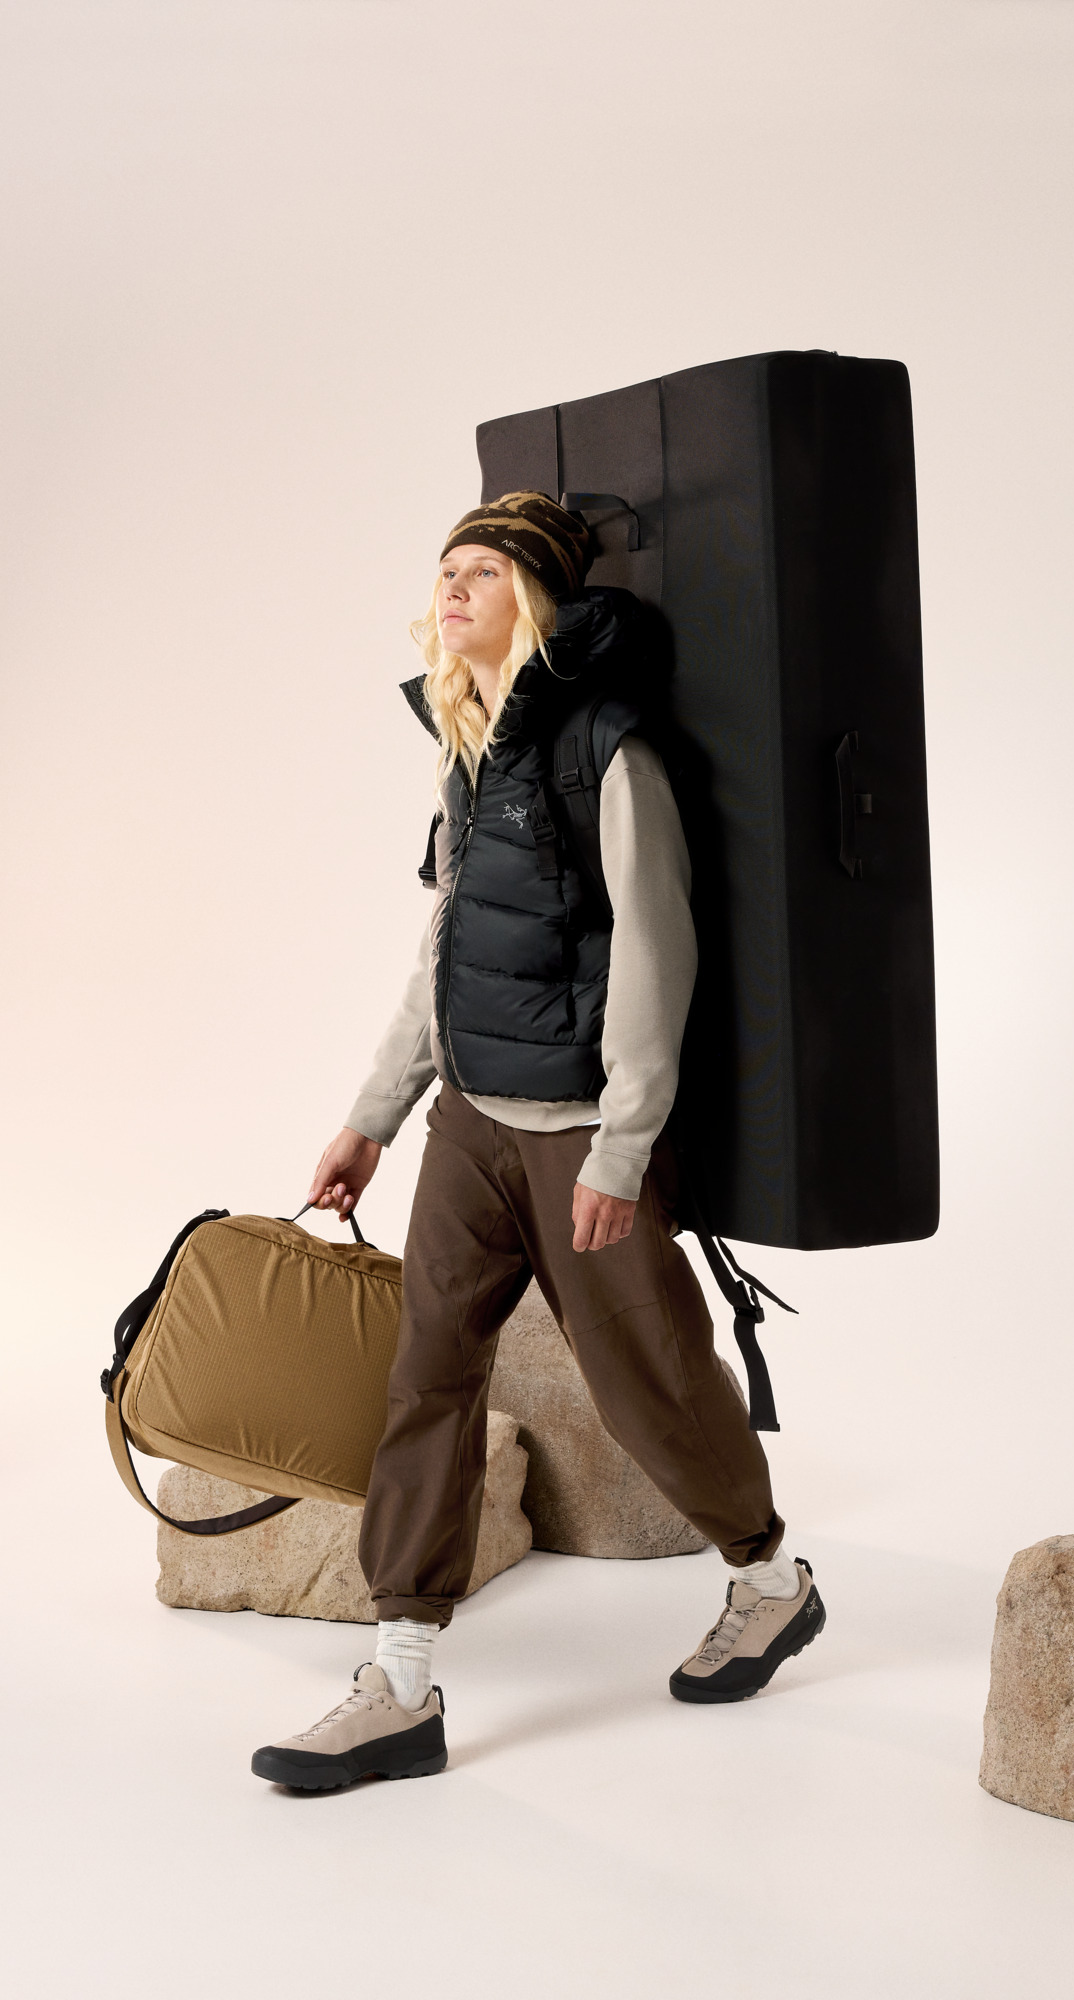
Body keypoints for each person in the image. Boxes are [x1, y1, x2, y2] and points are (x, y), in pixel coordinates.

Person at [250, 494, 825, 1791]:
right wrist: (372, 1116)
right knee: (427, 1381)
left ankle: (769, 1580)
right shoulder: (467, 748)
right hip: (468, 1124)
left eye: (482, 570)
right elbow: (444, 957)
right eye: (444, 570)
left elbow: (659, 957)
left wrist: (623, 1148)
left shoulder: (605, 752)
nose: (451, 589)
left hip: (575, 1132)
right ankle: (401, 1681)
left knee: (648, 1381)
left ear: (538, 597)